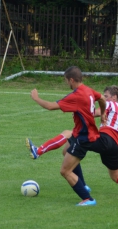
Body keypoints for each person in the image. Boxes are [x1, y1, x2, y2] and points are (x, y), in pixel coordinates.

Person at [26, 85, 118, 200]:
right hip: (116, 148)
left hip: (105, 139)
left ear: (114, 97)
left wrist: (77, 107)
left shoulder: (111, 105)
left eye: (106, 96)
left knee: (69, 133)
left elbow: (91, 113)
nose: (104, 99)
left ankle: (38, 151)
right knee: (115, 176)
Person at [28, 66, 107, 206]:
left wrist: (36, 98)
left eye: (66, 81)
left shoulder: (76, 96)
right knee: (65, 151)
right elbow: (101, 98)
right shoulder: (88, 90)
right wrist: (103, 114)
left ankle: (88, 199)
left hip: (83, 138)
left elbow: (51, 106)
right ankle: (83, 185)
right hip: (81, 133)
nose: (67, 84)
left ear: (71, 79)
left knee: (65, 171)